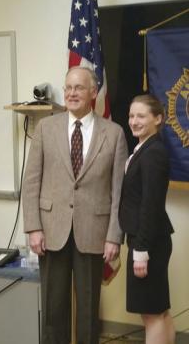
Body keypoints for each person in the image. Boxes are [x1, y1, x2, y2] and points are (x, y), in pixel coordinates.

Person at [23, 66, 128, 344]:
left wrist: (114, 236)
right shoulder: (46, 128)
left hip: (94, 232)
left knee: (88, 310)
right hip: (51, 230)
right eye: (68, 87)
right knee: (53, 310)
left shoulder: (114, 133)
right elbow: (31, 182)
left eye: (79, 88)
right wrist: (33, 227)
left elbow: (119, 192)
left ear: (93, 92)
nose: (71, 93)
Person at [119, 94, 175, 344]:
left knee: (152, 315)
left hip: (147, 243)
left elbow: (150, 205)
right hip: (153, 240)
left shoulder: (153, 152)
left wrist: (140, 249)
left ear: (158, 118)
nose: (134, 121)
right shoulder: (145, 149)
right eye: (132, 115)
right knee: (160, 310)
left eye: (141, 116)